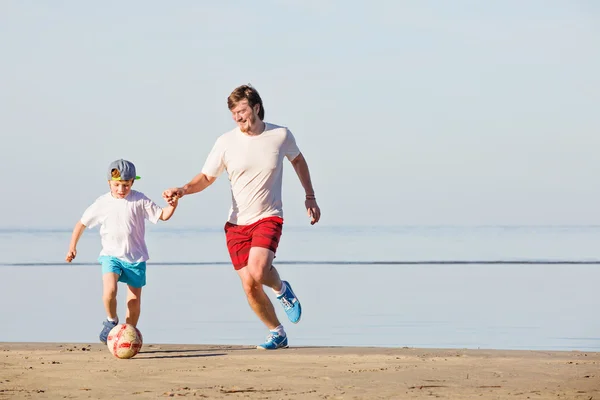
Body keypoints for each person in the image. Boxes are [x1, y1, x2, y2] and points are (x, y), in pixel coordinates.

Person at [162, 84, 321, 350]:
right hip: (236, 224)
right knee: (250, 286)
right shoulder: (225, 142)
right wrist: (183, 190)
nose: (238, 117)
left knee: (259, 271)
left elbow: (298, 161)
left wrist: (310, 196)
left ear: (256, 108)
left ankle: (281, 289)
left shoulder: (280, 135)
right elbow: (206, 177)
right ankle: (276, 332)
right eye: (234, 113)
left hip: (268, 216)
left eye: (242, 111)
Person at [65, 159, 179, 344]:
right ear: (109, 182)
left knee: (133, 301)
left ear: (132, 182)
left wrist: (173, 205)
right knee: (110, 291)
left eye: (125, 185)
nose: (121, 189)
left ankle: (129, 334)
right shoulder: (102, 203)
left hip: (136, 258)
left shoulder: (139, 199)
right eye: (116, 184)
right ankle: (111, 321)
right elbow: (81, 223)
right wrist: (72, 247)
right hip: (111, 256)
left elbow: (162, 215)